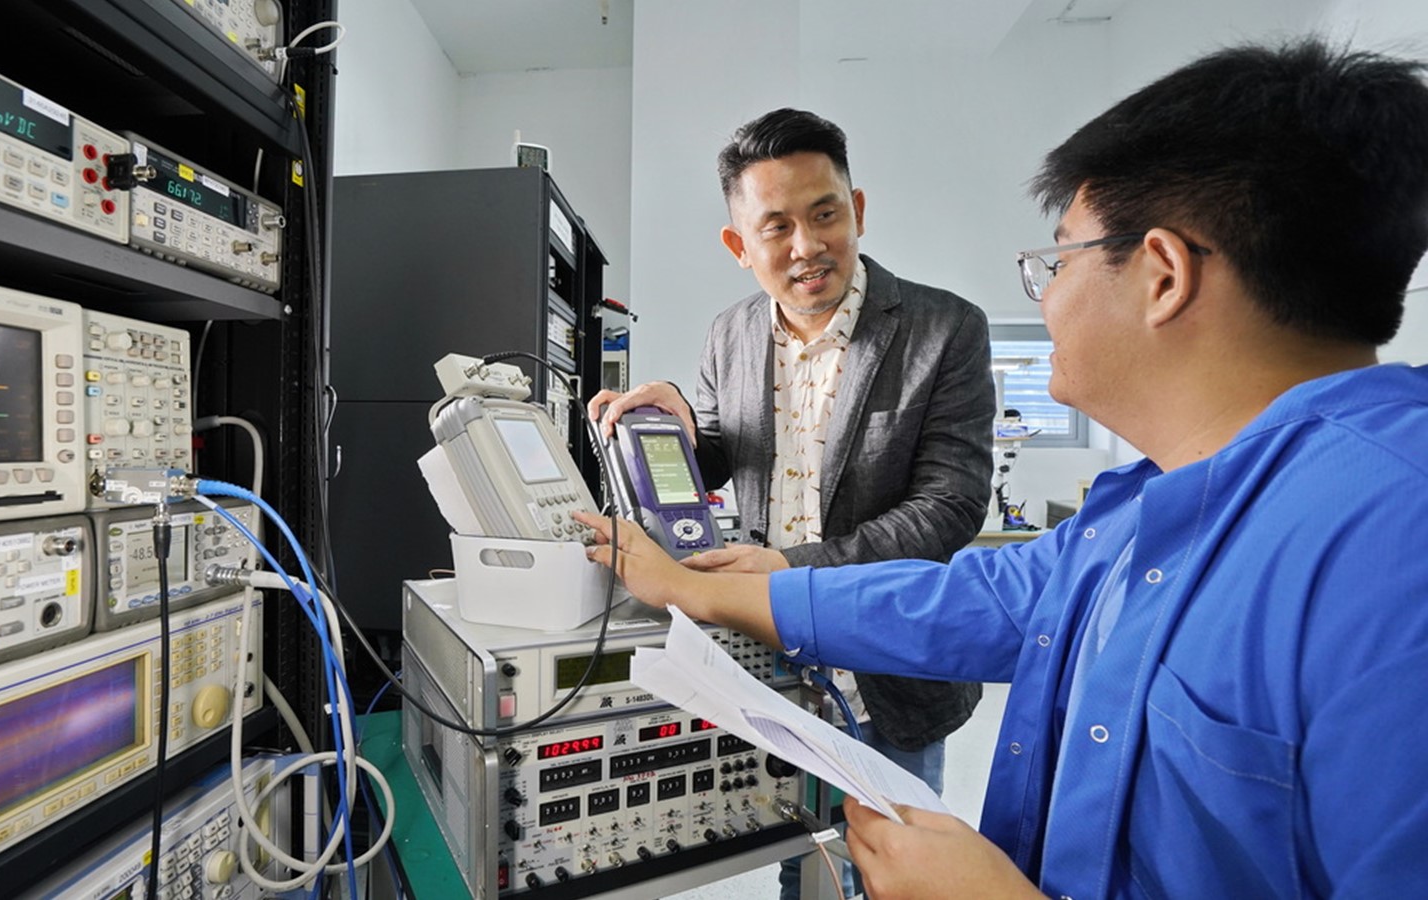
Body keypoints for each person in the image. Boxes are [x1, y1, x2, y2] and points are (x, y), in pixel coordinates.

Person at [576, 39, 1428, 898]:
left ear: (1163, 275)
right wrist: (699, 581)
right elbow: (969, 602)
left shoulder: (1397, 546)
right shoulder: (1145, 508)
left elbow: (948, 514)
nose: (1046, 293)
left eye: (1058, 260)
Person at [588, 108, 996, 897]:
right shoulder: (730, 334)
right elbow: (719, 450)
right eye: (776, 227)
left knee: (890, 875)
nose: (807, 247)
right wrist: (667, 419)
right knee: (797, 864)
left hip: (888, 673)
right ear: (740, 247)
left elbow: (949, 507)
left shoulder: (945, 330)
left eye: (825, 214)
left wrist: (785, 569)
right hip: (768, 670)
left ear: (859, 210)